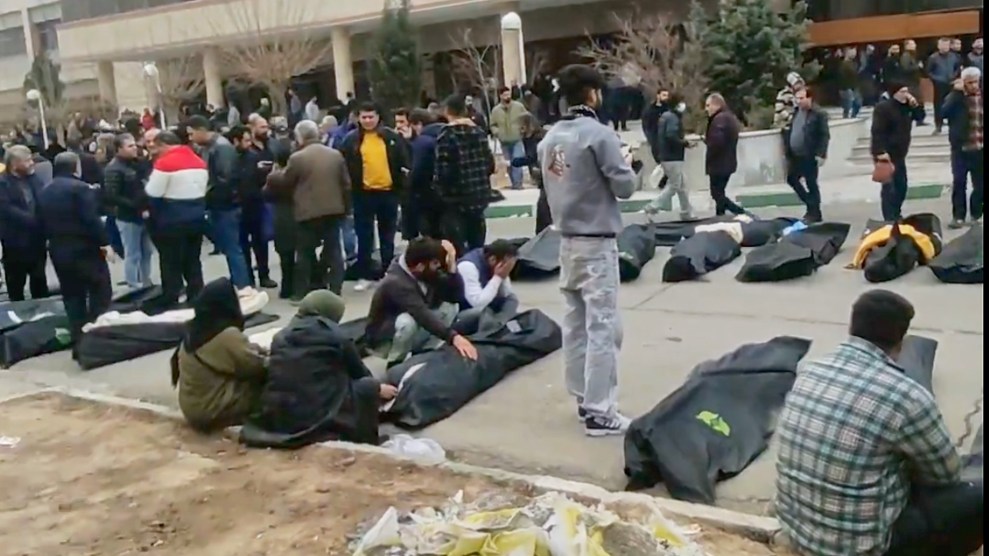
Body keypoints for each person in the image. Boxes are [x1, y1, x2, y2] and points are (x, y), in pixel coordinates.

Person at [775, 289, 982, 556]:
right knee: (974, 496)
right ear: (901, 340)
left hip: (798, 533)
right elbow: (946, 476)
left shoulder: (809, 371)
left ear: (852, 327)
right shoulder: (907, 396)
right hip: (861, 549)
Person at [539, 64, 637, 436]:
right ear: (593, 94)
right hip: (596, 241)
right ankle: (600, 411)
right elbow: (625, 187)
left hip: (566, 240)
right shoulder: (599, 135)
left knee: (576, 324)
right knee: (603, 327)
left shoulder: (550, 139)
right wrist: (628, 163)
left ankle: (583, 397)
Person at [244, 290, 397, 447]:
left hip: (280, 414)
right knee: (367, 387)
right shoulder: (336, 336)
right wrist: (379, 388)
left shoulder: (280, 337)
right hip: (315, 415)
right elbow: (360, 373)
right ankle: (366, 440)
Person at [266, 120, 350, 299]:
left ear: (299, 137)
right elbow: (346, 184)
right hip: (333, 209)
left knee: (305, 252)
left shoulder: (298, 158)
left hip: (308, 212)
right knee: (334, 250)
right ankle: (336, 289)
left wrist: (273, 175)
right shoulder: (335, 155)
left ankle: (301, 292)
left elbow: (286, 181)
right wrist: (346, 208)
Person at [38, 152, 112, 351]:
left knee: (72, 295)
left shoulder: (45, 190)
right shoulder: (80, 188)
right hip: (84, 247)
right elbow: (91, 219)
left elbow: (39, 221)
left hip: (58, 249)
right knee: (99, 289)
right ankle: (98, 332)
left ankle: (78, 337)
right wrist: (105, 243)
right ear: (75, 166)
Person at [172, 278, 267, 432]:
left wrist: (258, 349)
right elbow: (255, 366)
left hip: (193, 408)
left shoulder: (195, 331)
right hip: (211, 410)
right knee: (275, 385)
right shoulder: (226, 335)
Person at [365, 237, 476, 368]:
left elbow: (456, 297)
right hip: (386, 336)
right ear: (420, 266)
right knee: (407, 322)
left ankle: (424, 353)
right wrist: (453, 337)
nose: (439, 266)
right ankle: (395, 362)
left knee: (450, 307)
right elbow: (421, 314)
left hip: (415, 321)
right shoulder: (396, 282)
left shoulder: (424, 269)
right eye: (435, 263)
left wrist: (452, 267)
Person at [338, 103, 407, 292]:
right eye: (364, 117)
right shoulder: (351, 140)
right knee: (364, 236)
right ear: (358, 118)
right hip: (363, 194)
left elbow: (403, 161)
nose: (368, 121)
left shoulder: (390, 137)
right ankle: (365, 274)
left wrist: (401, 186)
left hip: (388, 193)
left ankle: (388, 272)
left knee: (388, 235)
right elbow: (343, 165)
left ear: (378, 117)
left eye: (371, 117)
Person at [145, 131, 208, 308]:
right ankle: (196, 296)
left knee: (170, 261)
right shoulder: (199, 161)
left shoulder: (165, 163)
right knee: (193, 261)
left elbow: (153, 192)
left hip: (171, 219)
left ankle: (171, 297)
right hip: (196, 217)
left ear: (163, 145)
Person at [188, 115, 252, 290]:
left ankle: (242, 286)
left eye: (192, 133)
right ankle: (239, 282)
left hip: (226, 205)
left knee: (232, 248)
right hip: (218, 204)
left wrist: (206, 196)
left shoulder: (221, 147)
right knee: (230, 248)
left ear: (202, 130)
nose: (191, 138)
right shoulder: (209, 147)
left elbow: (225, 179)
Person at [435, 94, 496, 255]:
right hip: (478, 195)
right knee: (477, 241)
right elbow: (490, 164)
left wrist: (441, 190)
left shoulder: (446, 134)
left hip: (456, 198)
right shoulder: (479, 132)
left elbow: (444, 169)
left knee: (457, 244)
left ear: (447, 111)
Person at [227, 125, 276, 288]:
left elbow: (261, 179)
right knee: (242, 244)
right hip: (238, 206)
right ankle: (247, 277)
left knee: (260, 242)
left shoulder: (254, 157)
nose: (249, 144)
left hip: (255, 205)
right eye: (246, 141)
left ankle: (264, 274)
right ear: (236, 141)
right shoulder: (230, 159)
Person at [104, 133, 154, 289]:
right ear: (119, 149)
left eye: (134, 145)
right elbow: (112, 195)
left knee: (147, 251)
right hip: (128, 216)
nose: (134, 148)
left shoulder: (136, 164)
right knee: (132, 252)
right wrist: (135, 205)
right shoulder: (114, 169)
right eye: (130, 146)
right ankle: (133, 284)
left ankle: (146, 281)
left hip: (144, 213)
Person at [0, 145, 49, 301]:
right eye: (27, 161)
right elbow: (6, 209)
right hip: (15, 242)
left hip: (37, 241)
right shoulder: (3, 183)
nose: (31, 163)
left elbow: (43, 198)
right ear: (14, 164)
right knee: (16, 283)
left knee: (39, 281)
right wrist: (32, 220)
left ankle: (42, 309)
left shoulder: (34, 179)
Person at [870, 82, 925, 222]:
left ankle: (897, 211)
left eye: (907, 91)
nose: (905, 95)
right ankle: (890, 217)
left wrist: (916, 105)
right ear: (894, 93)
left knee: (901, 186)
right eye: (902, 92)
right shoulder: (883, 108)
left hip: (900, 153)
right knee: (889, 188)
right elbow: (877, 131)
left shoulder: (906, 107)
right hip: (886, 153)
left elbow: (920, 117)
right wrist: (880, 151)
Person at [942, 67, 983, 229]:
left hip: (979, 147)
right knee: (959, 182)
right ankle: (958, 216)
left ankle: (976, 214)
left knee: (980, 185)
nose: (973, 85)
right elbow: (943, 112)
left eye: (976, 82)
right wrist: (956, 93)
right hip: (961, 148)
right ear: (963, 83)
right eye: (970, 82)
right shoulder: (957, 98)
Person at [644, 94, 694, 220]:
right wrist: (685, 143)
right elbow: (671, 135)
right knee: (675, 185)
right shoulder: (673, 118)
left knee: (682, 185)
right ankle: (652, 207)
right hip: (673, 157)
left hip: (667, 156)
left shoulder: (665, 116)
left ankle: (686, 212)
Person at [784, 88, 830, 223]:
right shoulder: (797, 112)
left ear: (810, 98)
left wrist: (821, 154)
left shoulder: (818, 114)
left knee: (811, 183)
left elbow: (824, 135)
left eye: (801, 98)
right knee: (792, 179)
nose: (798, 101)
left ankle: (814, 212)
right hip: (795, 155)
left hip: (809, 154)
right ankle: (811, 205)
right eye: (797, 98)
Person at [456, 239, 520, 333]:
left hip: (489, 309)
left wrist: (504, 277)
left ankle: (499, 325)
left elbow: (506, 294)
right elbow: (477, 303)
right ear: (492, 259)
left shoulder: (494, 264)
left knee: (512, 299)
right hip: (465, 312)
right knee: (482, 312)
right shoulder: (468, 266)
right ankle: (499, 327)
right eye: (506, 266)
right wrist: (498, 277)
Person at [704, 93, 746, 216]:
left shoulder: (720, 119)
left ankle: (739, 211)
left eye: (708, 105)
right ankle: (720, 215)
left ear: (716, 105)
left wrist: (709, 144)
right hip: (725, 162)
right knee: (719, 192)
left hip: (719, 163)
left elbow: (717, 142)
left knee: (716, 193)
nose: (706, 109)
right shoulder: (727, 117)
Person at [407, 108, 445, 239]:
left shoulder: (422, 142)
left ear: (417, 124)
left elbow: (417, 170)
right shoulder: (445, 134)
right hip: (447, 192)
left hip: (425, 194)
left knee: (429, 232)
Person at [515, 112, 551, 233]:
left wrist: (513, 162)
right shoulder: (530, 138)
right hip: (544, 176)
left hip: (548, 176)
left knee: (544, 211)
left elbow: (532, 156)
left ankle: (542, 234)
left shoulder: (537, 138)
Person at [489, 86, 528, 189]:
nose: (507, 96)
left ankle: (518, 184)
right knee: (508, 163)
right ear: (501, 96)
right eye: (505, 95)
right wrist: (497, 132)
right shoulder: (496, 110)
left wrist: (523, 129)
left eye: (508, 94)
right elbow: (492, 125)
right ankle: (514, 183)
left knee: (517, 160)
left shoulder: (519, 107)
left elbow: (526, 119)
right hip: (504, 141)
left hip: (517, 138)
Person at [928, 38, 963, 135]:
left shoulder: (955, 56)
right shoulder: (933, 58)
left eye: (946, 45)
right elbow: (929, 72)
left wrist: (955, 77)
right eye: (942, 45)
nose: (944, 47)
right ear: (938, 46)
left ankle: (953, 125)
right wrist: (937, 79)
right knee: (938, 105)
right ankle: (938, 125)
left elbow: (958, 68)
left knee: (953, 104)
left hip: (952, 84)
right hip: (939, 85)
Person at [642, 88, 671, 170]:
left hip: (667, 137)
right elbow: (646, 123)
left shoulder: (669, 109)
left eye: (667, 95)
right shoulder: (650, 109)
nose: (666, 98)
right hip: (655, 136)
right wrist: (649, 137)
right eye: (664, 95)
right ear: (658, 96)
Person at [838, 47, 862, 119]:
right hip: (846, 87)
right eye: (852, 51)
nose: (854, 53)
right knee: (848, 104)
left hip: (854, 86)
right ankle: (846, 117)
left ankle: (853, 116)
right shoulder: (842, 64)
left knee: (858, 103)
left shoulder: (854, 63)